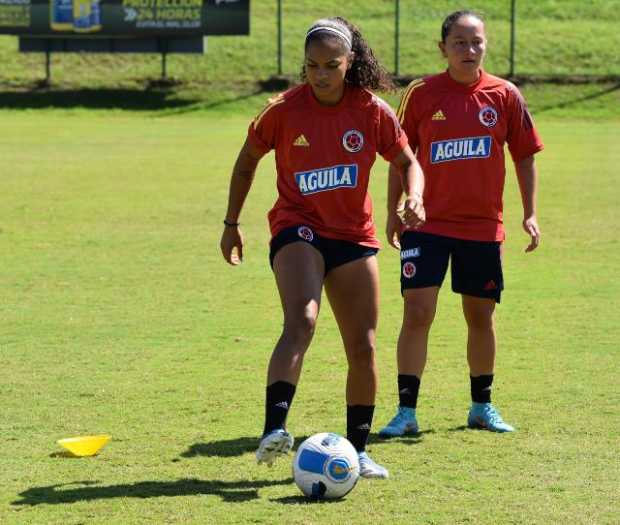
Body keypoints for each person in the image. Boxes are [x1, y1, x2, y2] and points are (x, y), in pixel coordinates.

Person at [220, 17, 425, 477]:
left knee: (364, 346)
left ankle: (358, 449)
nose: (321, 74)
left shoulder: (371, 111)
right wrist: (231, 222)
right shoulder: (284, 110)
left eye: (332, 64)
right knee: (303, 320)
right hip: (299, 228)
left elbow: (409, 161)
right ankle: (275, 428)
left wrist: (415, 196)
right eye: (313, 65)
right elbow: (247, 159)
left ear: (350, 62)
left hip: (353, 235)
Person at [379, 10, 544, 436]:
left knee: (480, 316)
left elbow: (524, 155)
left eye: (476, 42)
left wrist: (529, 213)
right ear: (443, 48)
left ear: (485, 45)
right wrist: (393, 211)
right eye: (459, 43)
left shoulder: (505, 95)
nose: (469, 50)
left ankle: (481, 406)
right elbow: (400, 158)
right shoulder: (421, 94)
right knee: (418, 312)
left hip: (481, 227)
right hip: (426, 224)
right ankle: (406, 412)